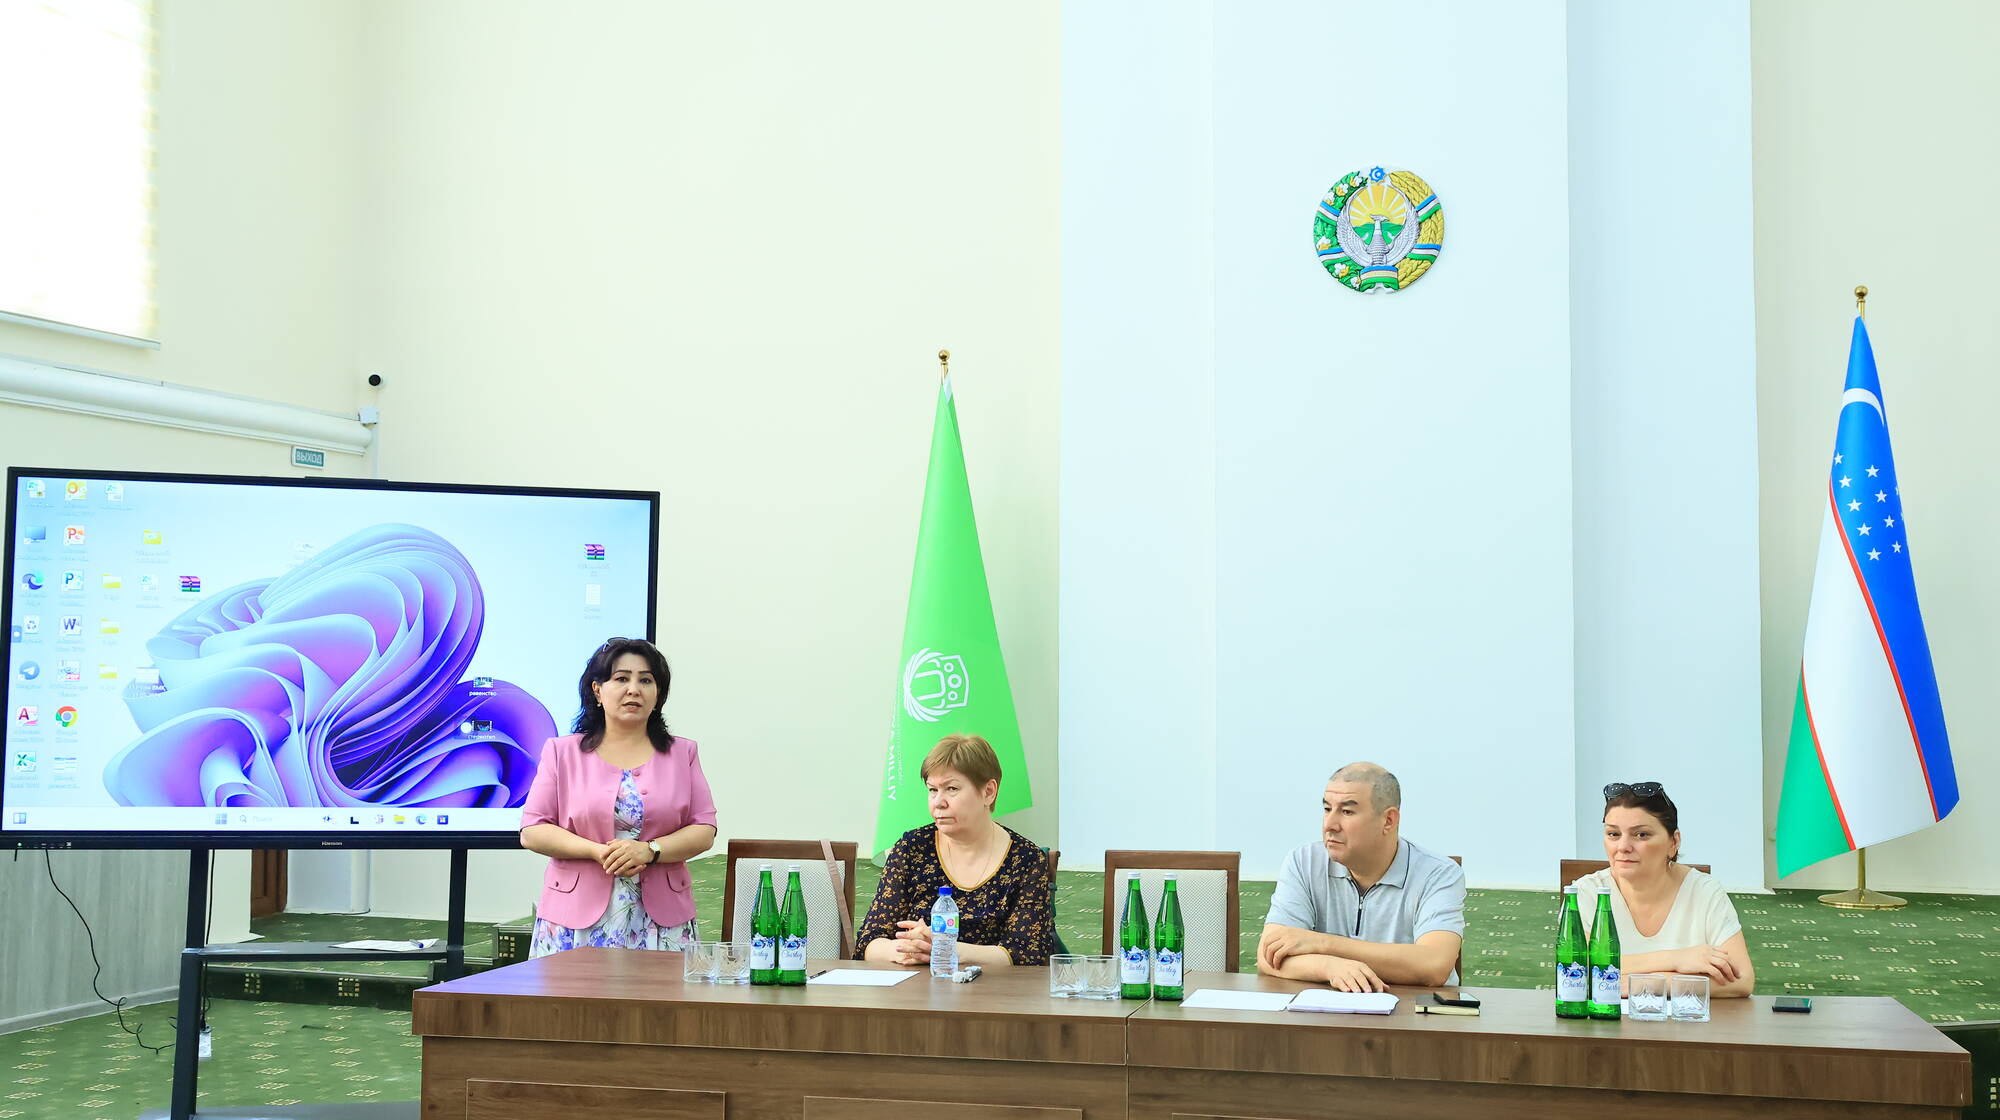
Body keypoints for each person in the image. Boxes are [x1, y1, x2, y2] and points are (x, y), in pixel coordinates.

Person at [519, 638, 717, 956]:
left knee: (661, 991)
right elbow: (533, 831)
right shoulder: (561, 752)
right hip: (573, 918)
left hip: (662, 919)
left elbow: (704, 829)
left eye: (646, 680)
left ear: (658, 694)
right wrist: (598, 851)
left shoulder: (683, 753)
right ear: (598, 690)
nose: (634, 689)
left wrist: (650, 851)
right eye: (621, 678)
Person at [1257, 762, 1465, 992]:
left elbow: (1434, 965)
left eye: (1347, 812)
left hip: (1410, 1011)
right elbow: (1269, 955)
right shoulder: (1304, 861)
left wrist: (1321, 943)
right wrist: (1329, 966)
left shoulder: (1438, 873)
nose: (1329, 825)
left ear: (1388, 820)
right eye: (1327, 809)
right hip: (1325, 1010)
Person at [856, 734, 1055, 967]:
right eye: (932, 790)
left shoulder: (1026, 859)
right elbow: (868, 942)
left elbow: (1028, 954)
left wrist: (946, 949)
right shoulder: (912, 849)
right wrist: (904, 949)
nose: (938, 802)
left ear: (988, 792)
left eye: (951, 789)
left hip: (992, 988)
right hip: (916, 985)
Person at [1575, 781, 1754, 997]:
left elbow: (1742, 979)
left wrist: (1649, 984)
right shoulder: (1587, 892)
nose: (1623, 847)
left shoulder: (1704, 891)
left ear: (1673, 842)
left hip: (1686, 1019)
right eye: (1613, 834)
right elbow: (1579, 967)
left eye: (1641, 835)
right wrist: (1676, 959)